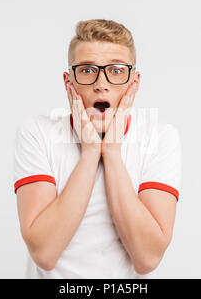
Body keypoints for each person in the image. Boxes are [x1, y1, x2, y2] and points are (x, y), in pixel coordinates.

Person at [13, 19, 182, 278]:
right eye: (88, 70)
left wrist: (112, 153)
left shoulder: (159, 138)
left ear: (133, 83)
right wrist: (90, 153)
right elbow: (44, 253)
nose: (100, 84)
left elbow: (147, 258)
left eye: (115, 71)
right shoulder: (38, 134)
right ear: (69, 82)